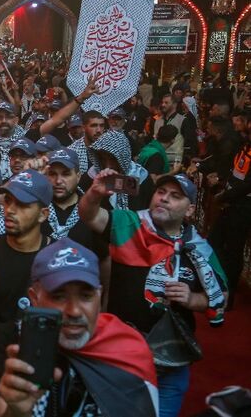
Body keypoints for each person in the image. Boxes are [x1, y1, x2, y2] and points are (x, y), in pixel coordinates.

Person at [79, 172, 228, 417]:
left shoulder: (199, 247)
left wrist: (193, 300)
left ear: (189, 210)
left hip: (171, 362)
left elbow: (221, 297)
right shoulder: (129, 223)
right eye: (160, 192)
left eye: (175, 196)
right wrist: (94, 195)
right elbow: (90, 215)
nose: (164, 199)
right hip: (121, 353)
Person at [0, 238, 159, 417]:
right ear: (34, 298)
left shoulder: (128, 349)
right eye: (59, 296)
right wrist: (17, 412)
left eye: (86, 296)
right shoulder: (10, 341)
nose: (74, 311)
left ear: (99, 296)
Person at [0, 170, 53, 326]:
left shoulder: (57, 259)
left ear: (42, 215)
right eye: (8, 201)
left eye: (22, 204)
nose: (10, 209)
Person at [207, 115, 251, 309]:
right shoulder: (244, 145)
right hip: (231, 201)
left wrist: (225, 197)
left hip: (243, 207)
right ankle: (216, 284)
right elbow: (236, 173)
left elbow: (247, 185)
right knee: (214, 242)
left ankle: (228, 295)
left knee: (233, 251)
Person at [84, 130, 155, 210]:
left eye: (113, 159)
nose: (108, 166)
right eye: (103, 159)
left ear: (123, 157)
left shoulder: (141, 177)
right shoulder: (92, 176)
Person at [153, 94, 198, 165]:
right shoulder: (158, 121)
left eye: (166, 103)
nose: (163, 105)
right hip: (159, 160)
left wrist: (186, 160)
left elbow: (190, 142)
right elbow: (155, 139)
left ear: (174, 104)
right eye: (162, 102)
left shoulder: (183, 120)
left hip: (175, 162)